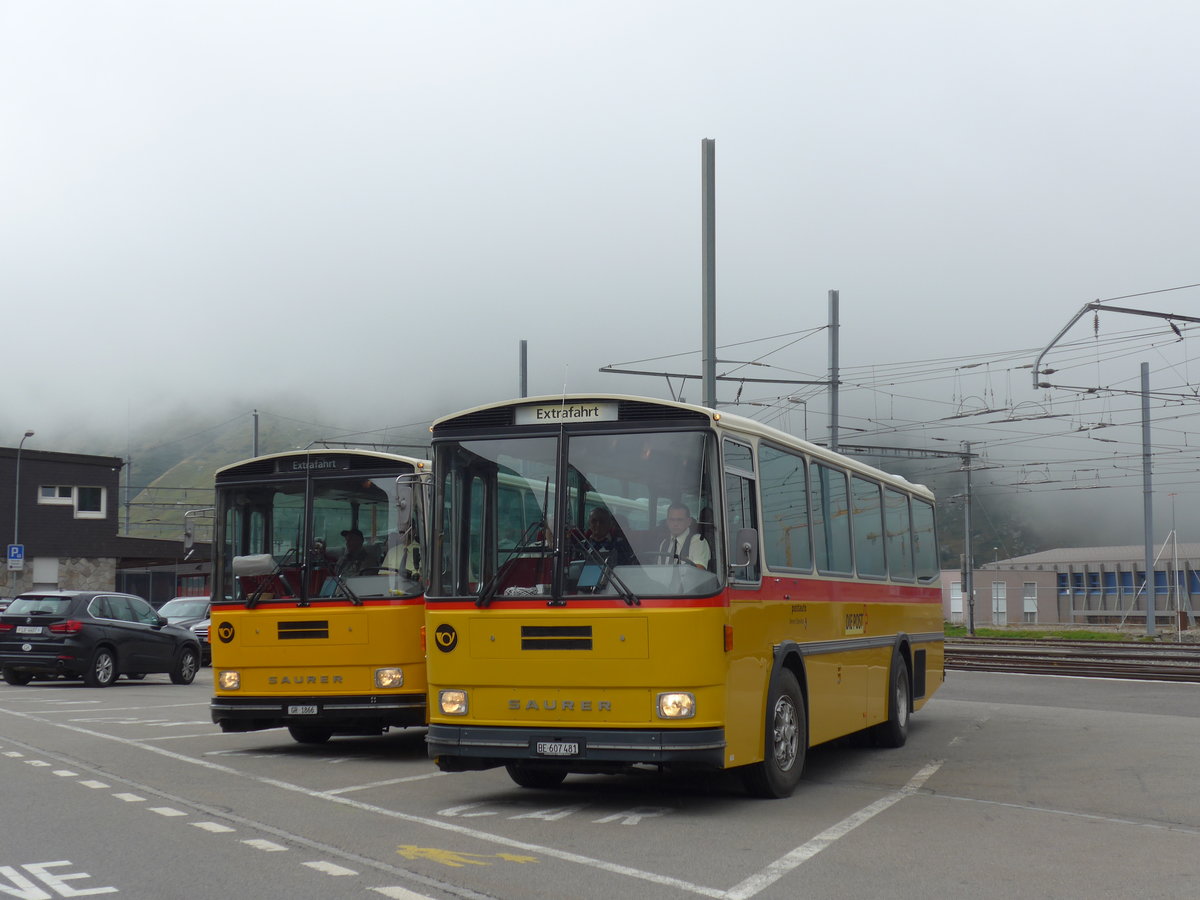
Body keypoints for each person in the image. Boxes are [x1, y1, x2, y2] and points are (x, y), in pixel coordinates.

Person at [658, 502, 710, 570]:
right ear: (667, 521)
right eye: (672, 520)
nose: (675, 524)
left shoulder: (698, 541)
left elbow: (698, 573)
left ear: (689, 521)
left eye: (679, 520)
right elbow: (659, 571)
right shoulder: (664, 543)